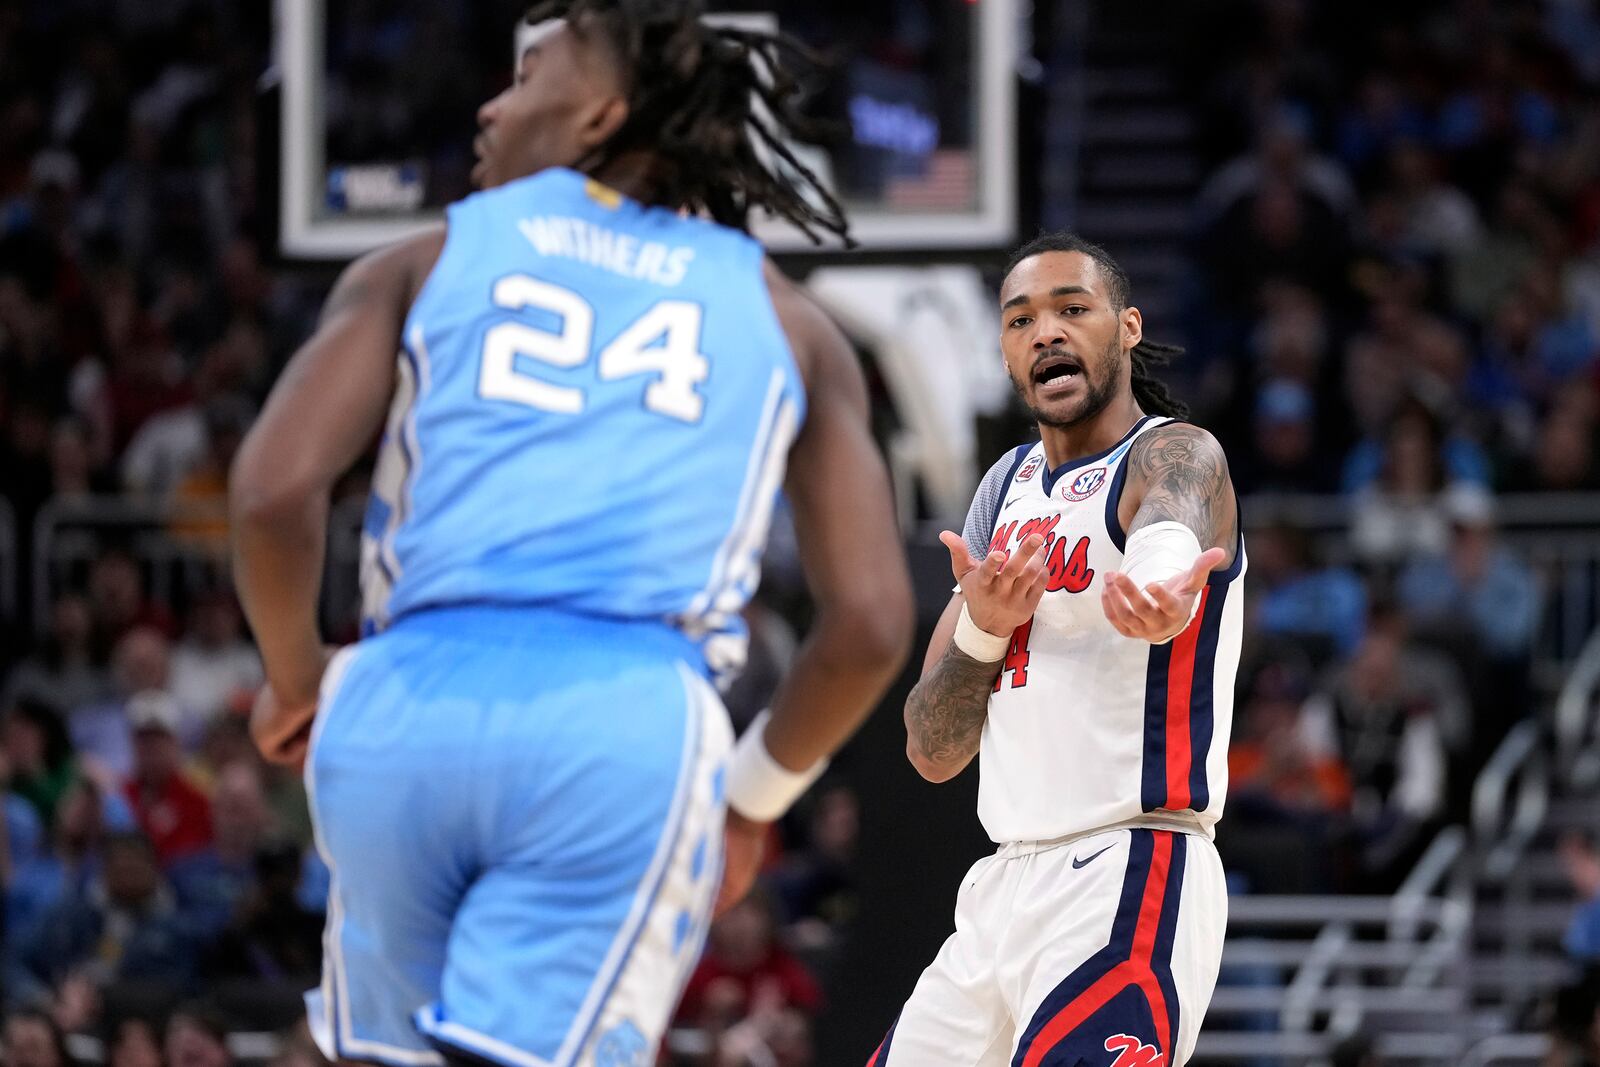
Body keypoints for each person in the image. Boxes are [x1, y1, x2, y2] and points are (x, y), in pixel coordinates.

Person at [229, 2, 913, 1065]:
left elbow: (274, 494)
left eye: (527, 71)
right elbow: (870, 621)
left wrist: (294, 672)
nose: (491, 103)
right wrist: (749, 794)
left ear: (602, 111)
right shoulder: (789, 320)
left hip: (401, 699)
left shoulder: (419, 259)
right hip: (621, 721)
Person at [873, 232, 1245, 1066]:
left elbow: (1170, 523)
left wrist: (1156, 590)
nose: (1046, 331)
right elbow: (932, 750)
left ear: (1127, 328)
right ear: (1005, 353)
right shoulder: (1002, 491)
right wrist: (983, 626)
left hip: (1130, 864)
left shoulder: (1173, 452)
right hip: (1000, 888)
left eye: (1073, 309)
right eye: (1021, 320)